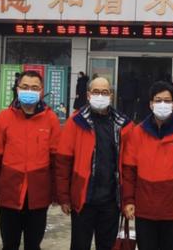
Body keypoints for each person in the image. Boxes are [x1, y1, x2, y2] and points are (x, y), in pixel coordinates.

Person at [0, 70, 61, 250]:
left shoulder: (50, 119)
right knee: (9, 244)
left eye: (34, 88)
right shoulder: (4, 118)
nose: (29, 91)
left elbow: (56, 161)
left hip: (38, 194)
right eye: (25, 87)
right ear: (17, 89)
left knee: (33, 245)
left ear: (41, 91)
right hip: (9, 193)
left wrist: (57, 193)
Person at [56, 76, 133, 250]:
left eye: (104, 92)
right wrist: (64, 197)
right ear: (88, 95)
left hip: (111, 201)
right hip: (84, 200)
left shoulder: (123, 124)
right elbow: (63, 163)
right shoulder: (76, 122)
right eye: (96, 91)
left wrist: (128, 199)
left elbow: (129, 167)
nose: (100, 95)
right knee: (79, 245)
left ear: (111, 95)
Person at [121, 81, 173, 250]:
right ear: (151, 104)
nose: (162, 104)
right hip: (145, 209)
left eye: (167, 101)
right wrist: (129, 200)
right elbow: (129, 170)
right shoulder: (138, 132)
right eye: (158, 100)